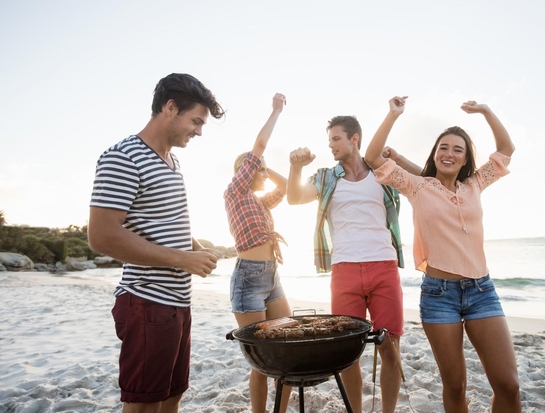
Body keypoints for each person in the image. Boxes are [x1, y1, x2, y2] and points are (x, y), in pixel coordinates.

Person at [365, 96, 521, 412]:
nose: (449, 153)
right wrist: (393, 115)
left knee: (508, 385)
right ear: (435, 155)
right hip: (439, 296)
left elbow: (506, 149)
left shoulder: (475, 184)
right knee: (455, 386)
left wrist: (487, 112)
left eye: (457, 149)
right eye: (443, 148)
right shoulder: (417, 186)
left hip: (482, 292)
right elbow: (371, 156)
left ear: (465, 160)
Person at [88, 73, 224, 413]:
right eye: (195, 121)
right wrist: (181, 260)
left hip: (178, 303)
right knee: (145, 405)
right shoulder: (123, 157)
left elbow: (161, 223)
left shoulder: (172, 162)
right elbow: (102, 235)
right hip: (147, 301)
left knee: (172, 396)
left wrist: (193, 248)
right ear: (170, 107)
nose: (198, 131)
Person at [287, 115, 420, 413]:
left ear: (354, 139)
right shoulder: (324, 178)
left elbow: (421, 181)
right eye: (329, 140)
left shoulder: (384, 174)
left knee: (390, 347)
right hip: (344, 270)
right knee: (348, 351)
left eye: (336, 138)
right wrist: (295, 167)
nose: (331, 145)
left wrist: (394, 121)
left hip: (383, 266)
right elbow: (294, 198)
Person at [224, 93, 292, 413]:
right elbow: (259, 147)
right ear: (243, 171)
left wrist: (269, 168)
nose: (261, 172)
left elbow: (290, 188)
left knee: (287, 349)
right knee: (261, 359)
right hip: (248, 279)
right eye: (256, 168)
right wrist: (275, 111)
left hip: (271, 277)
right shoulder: (235, 192)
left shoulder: (260, 202)